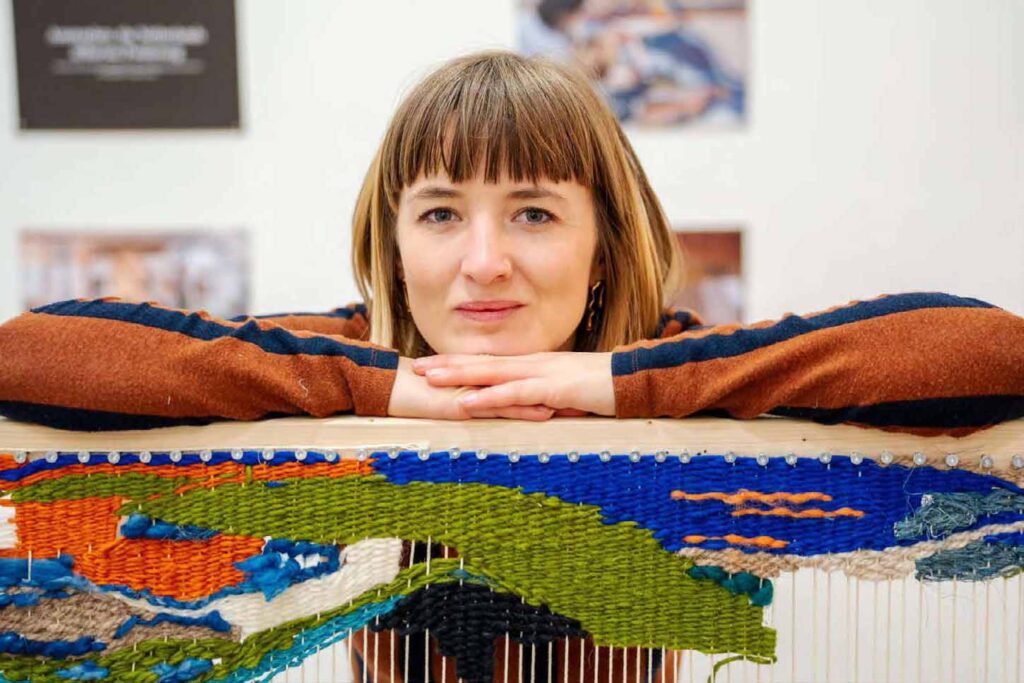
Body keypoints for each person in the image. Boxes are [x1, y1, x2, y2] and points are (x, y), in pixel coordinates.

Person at [0, 50, 1022, 682]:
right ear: (395, 240)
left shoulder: (667, 364)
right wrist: (379, 388)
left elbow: (991, 355)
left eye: (533, 211)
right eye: (441, 213)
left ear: (602, 243)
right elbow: (28, 356)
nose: (483, 260)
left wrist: (616, 386)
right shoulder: (343, 357)